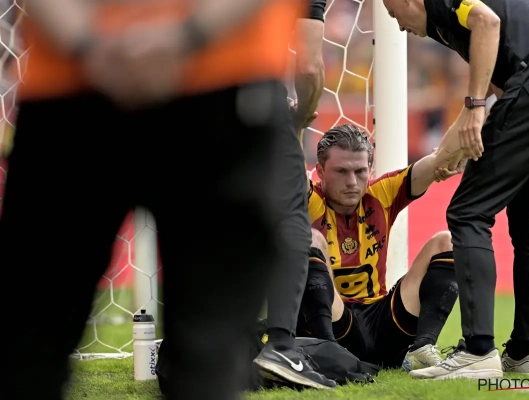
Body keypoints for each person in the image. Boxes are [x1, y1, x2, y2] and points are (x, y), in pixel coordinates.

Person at [1, 1, 305, 399]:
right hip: (223, 74)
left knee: (29, 348)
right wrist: (187, 39)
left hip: (73, 75)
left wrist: (87, 46)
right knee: (209, 357)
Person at [382, 0, 529, 379]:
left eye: (393, 13)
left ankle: (478, 350)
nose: (399, 26)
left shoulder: (443, 4)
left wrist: (474, 106)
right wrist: (454, 150)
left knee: (468, 213)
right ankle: (523, 353)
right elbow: (502, 87)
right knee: (528, 216)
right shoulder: (451, 27)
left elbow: (487, 21)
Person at [293, 123, 465, 371]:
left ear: (370, 169)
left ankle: (422, 348)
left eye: (360, 171)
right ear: (319, 171)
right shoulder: (309, 200)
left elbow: (440, 159)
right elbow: (290, 172)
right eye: (341, 171)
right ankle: (326, 351)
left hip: (382, 324)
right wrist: (297, 123)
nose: (352, 182)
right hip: (334, 323)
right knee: (310, 238)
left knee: (447, 241)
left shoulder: (382, 193)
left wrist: (473, 112)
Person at [252, 0, 336, 390]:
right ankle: (281, 344)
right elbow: (310, 65)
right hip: (252, 100)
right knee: (290, 217)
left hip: (180, 100)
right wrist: (302, 116)